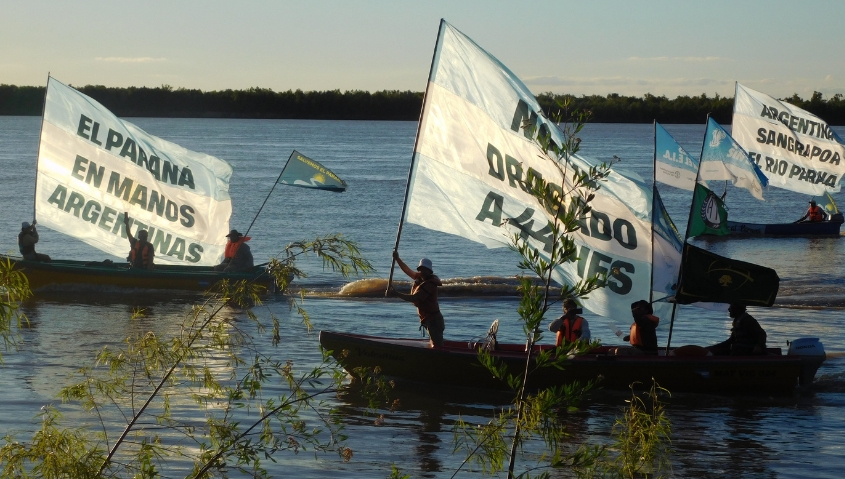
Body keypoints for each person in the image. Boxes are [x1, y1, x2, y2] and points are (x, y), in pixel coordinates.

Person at [388, 251, 444, 348]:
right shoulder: (420, 278)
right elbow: (407, 271)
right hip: (428, 319)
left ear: (430, 271)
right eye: (421, 269)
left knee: (437, 346)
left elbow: (414, 298)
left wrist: (396, 293)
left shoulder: (430, 285)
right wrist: (397, 259)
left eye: (425, 270)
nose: (423, 272)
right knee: (434, 343)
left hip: (434, 320)